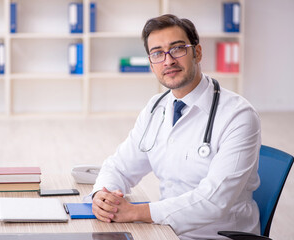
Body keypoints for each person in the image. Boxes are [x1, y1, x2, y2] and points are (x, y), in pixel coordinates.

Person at [87, 14, 261, 240]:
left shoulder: (238, 116)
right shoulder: (156, 107)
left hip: (217, 236)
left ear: (197, 53)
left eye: (177, 49)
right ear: (151, 63)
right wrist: (102, 194)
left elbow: (214, 201)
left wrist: (136, 212)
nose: (168, 61)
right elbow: (119, 166)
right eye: (157, 53)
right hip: (166, 231)